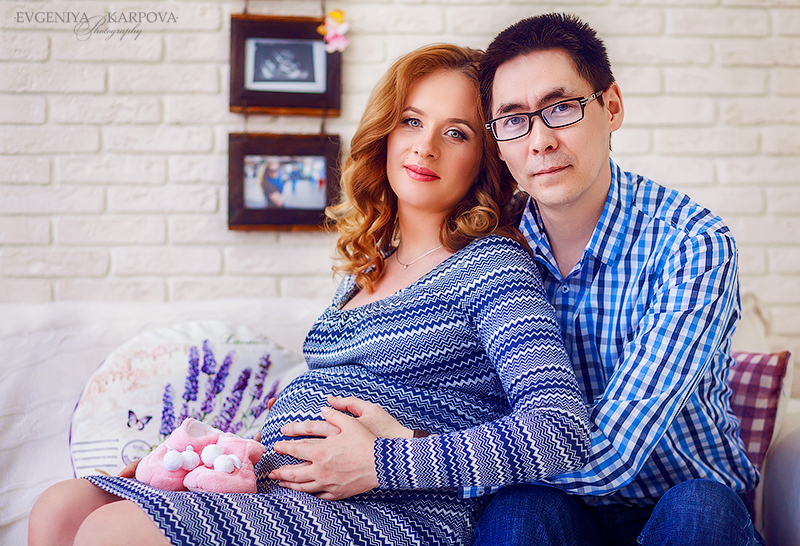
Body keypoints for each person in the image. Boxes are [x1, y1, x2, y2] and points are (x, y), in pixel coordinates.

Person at [27, 43, 590, 546]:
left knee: (111, 532)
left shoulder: (493, 267)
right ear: (386, 132)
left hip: (397, 510)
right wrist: (220, 454)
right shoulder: (368, 265)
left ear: (486, 156)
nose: (425, 147)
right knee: (63, 507)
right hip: (285, 483)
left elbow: (560, 429)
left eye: (456, 132)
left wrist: (386, 460)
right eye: (411, 121)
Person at [270, 13, 764, 546]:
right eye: (513, 119)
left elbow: (609, 456)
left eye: (561, 108)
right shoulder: (484, 244)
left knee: (699, 508)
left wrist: (404, 451)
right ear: (497, 144)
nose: (541, 140)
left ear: (612, 107)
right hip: (550, 505)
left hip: (675, 497)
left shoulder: (691, 245)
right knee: (520, 512)